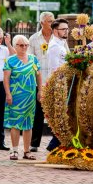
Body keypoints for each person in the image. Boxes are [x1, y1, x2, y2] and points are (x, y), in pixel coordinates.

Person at [3, 35, 42, 160]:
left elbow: (38, 76)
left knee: (28, 124)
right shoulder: (10, 60)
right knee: (15, 123)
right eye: (21, 45)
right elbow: (6, 79)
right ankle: (14, 151)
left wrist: (40, 90)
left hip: (30, 96)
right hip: (16, 96)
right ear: (15, 46)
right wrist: (8, 94)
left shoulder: (33, 59)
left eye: (26, 45)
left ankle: (26, 151)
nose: (24, 47)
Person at [28, 11, 55, 152]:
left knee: (56, 113)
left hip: (55, 81)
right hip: (39, 81)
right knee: (38, 114)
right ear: (42, 23)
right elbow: (30, 60)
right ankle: (34, 143)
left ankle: (56, 143)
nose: (52, 23)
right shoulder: (33, 39)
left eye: (53, 20)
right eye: (50, 21)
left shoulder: (59, 39)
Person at [46, 18, 70, 151]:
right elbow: (55, 69)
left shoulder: (61, 43)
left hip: (64, 82)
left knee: (63, 115)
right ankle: (54, 144)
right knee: (60, 115)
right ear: (55, 31)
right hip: (59, 83)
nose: (66, 31)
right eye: (63, 29)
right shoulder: (55, 47)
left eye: (67, 28)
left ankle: (56, 143)